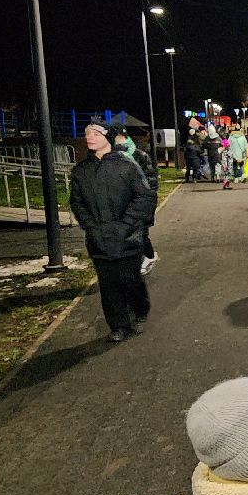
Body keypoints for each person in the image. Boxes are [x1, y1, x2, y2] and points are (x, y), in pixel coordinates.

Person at [70, 122, 154, 343]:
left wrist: (126, 225)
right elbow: (77, 203)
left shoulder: (127, 166)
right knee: (108, 285)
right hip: (99, 239)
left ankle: (140, 310)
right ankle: (118, 325)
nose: (89, 137)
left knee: (130, 279)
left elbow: (144, 197)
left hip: (128, 237)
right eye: (87, 133)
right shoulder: (81, 171)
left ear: (108, 138)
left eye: (95, 133)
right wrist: (91, 226)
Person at [112, 125, 160, 274]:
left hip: (138, 201)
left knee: (140, 231)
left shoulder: (140, 155)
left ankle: (149, 256)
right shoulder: (110, 156)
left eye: (118, 137)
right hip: (120, 202)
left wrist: (146, 201)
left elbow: (151, 181)